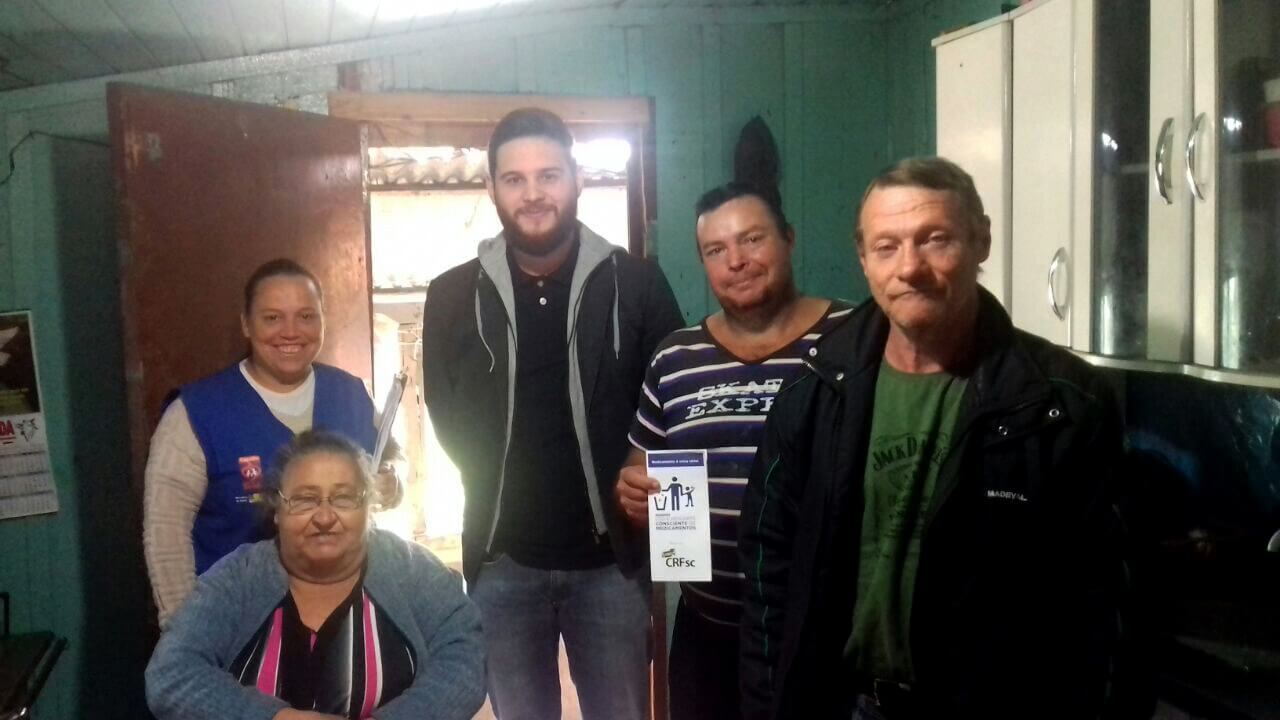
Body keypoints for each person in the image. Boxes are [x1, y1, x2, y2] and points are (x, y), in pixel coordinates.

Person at [739, 157, 1127, 719]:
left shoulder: (1064, 405)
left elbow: (1099, 605)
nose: (910, 268)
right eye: (887, 247)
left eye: (935, 240)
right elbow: (768, 571)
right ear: (864, 260)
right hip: (844, 705)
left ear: (981, 240)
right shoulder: (815, 393)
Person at [422, 107, 684, 720]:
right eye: (514, 179)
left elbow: (674, 401)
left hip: (613, 565)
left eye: (549, 175)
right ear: (492, 189)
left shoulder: (637, 283)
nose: (533, 193)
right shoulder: (452, 294)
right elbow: (444, 408)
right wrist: (492, 484)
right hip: (502, 564)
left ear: (577, 179)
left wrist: (646, 482)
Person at [617, 183, 850, 720]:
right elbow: (639, 467)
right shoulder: (674, 358)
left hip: (823, 639)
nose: (736, 261)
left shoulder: (854, 338)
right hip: (708, 636)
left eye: (752, 239)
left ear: (788, 239)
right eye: (716, 250)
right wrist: (633, 492)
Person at [146, 430, 484, 720]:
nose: (324, 517)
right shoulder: (238, 578)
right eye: (305, 500)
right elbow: (171, 675)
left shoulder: (413, 571)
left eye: (344, 498)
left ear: (368, 508)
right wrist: (276, 718)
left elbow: (465, 662)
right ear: (277, 511)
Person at [143, 259, 386, 627]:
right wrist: (185, 633)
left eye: (306, 316)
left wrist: (391, 481)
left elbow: (389, 464)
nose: (291, 332)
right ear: (246, 323)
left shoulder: (352, 394)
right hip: (235, 624)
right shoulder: (196, 411)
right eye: (272, 318)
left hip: (346, 616)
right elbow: (166, 532)